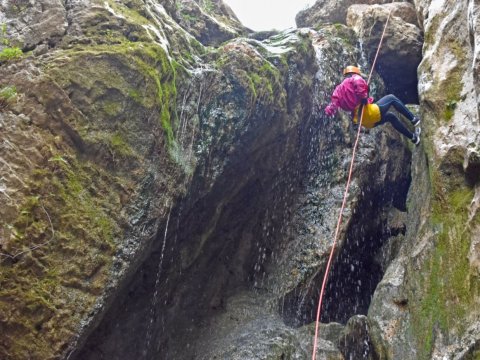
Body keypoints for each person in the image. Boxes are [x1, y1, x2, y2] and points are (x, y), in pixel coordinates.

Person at [324, 65, 421, 145]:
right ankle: (414, 120)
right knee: (391, 98)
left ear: (345, 75)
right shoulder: (355, 78)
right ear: (354, 73)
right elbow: (360, 87)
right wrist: (364, 98)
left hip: (365, 122)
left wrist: (327, 111)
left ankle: (414, 138)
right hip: (370, 112)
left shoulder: (337, 91)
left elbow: (332, 107)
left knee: (391, 117)